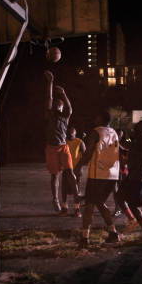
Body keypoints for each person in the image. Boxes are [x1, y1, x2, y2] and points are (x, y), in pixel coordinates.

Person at [74, 110, 121, 248]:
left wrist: (77, 167)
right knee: (99, 203)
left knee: (90, 205)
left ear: (100, 118)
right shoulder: (114, 132)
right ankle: (113, 233)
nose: (95, 118)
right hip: (112, 174)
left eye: (96, 116)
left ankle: (84, 238)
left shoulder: (96, 132)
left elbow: (88, 153)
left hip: (98, 174)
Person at [44, 70, 80, 214]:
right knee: (55, 176)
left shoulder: (65, 117)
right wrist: (50, 82)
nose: (58, 105)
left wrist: (64, 93)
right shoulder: (49, 114)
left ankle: (76, 196)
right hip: (51, 148)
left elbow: (70, 108)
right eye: (57, 104)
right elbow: (49, 97)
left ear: (62, 106)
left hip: (63, 147)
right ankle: (55, 200)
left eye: (60, 104)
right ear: (54, 106)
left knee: (70, 172)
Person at [117, 120, 142, 242]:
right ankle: (132, 221)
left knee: (134, 206)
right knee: (119, 196)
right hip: (132, 175)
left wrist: (133, 153)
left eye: (139, 126)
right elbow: (130, 152)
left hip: (140, 177)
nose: (135, 127)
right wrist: (120, 147)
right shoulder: (137, 140)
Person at [61, 127, 85, 216]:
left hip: (76, 170)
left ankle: (77, 209)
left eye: (72, 133)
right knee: (64, 189)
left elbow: (85, 155)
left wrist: (80, 167)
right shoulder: (64, 142)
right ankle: (64, 208)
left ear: (75, 133)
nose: (70, 134)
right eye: (69, 133)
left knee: (76, 190)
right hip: (66, 169)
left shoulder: (80, 142)